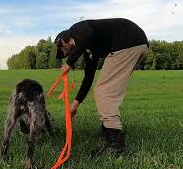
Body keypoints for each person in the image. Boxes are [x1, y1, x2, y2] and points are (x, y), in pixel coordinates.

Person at [55, 18, 148, 157]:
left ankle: (115, 146)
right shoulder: (89, 49)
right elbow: (88, 78)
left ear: (63, 42)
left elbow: (87, 34)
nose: (65, 54)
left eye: (63, 51)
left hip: (127, 42)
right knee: (110, 88)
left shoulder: (76, 29)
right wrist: (74, 107)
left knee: (104, 90)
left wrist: (69, 64)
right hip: (136, 43)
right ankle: (110, 130)